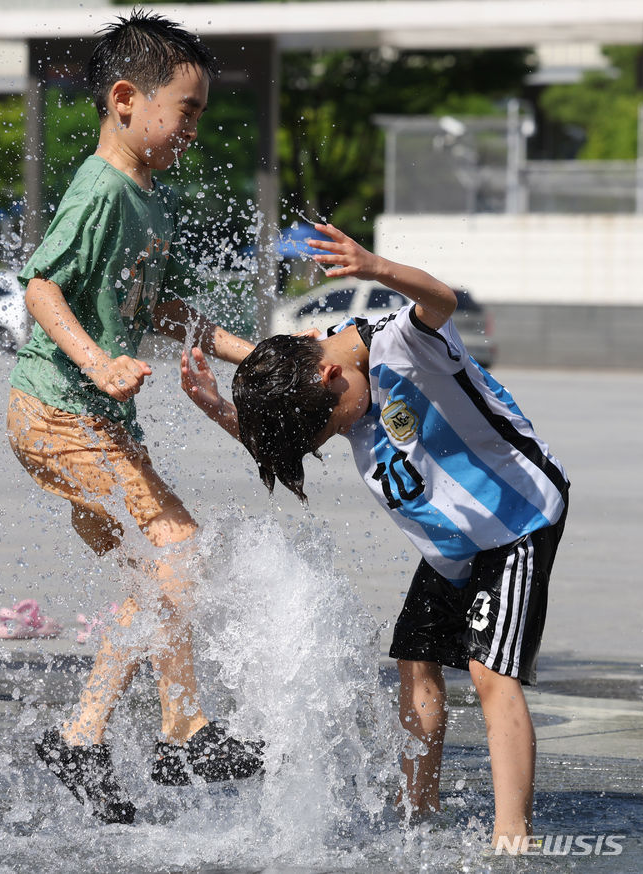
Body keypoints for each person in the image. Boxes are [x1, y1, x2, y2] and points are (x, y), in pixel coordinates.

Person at [180, 222, 569, 849]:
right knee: (416, 664)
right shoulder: (322, 376)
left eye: (334, 426)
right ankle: (417, 807)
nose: (341, 434)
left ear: (335, 378)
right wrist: (221, 412)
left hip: (514, 523)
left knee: (491, 672)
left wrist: (374, 265)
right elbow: (296, 412)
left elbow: (439, 300)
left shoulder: (401, 345)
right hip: (449, 547)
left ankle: (511, 836)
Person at [6, 10, 263, 825]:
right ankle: (179, 728)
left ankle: (82, 739)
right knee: (178, 552)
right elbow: (40, 286)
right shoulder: (100, 190)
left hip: (90, 421)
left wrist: (254, 357)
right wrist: (98, 361)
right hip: (56, 411)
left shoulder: (149, 199)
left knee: (150, 576)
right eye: (186, 110)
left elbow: (168, 308)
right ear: (125, 99)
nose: (194, 127)